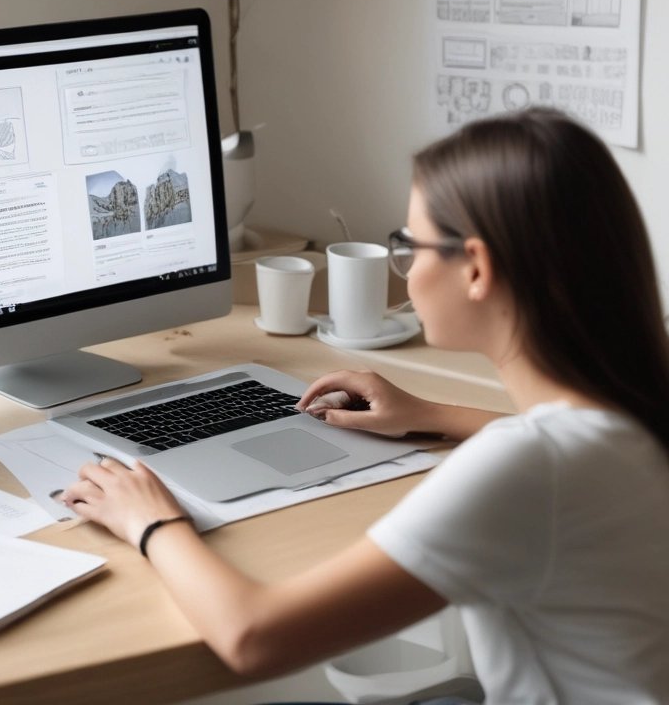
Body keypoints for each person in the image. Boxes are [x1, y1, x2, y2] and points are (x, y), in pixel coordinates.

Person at [60, 108, 669, 703]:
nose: (406, 269)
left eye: (411, 244)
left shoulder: (531, 467)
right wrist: (431, 414)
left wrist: (152, 522)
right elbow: (570, 458)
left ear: (476, 268)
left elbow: (254, 637)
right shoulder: (635, 406)